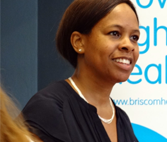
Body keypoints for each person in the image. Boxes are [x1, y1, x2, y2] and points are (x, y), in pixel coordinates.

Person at [21, 0, 140, 141]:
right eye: (114, 33)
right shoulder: (48, 109)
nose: (128, 45)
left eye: (134, 37)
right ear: (79, 42)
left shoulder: (122, 119)